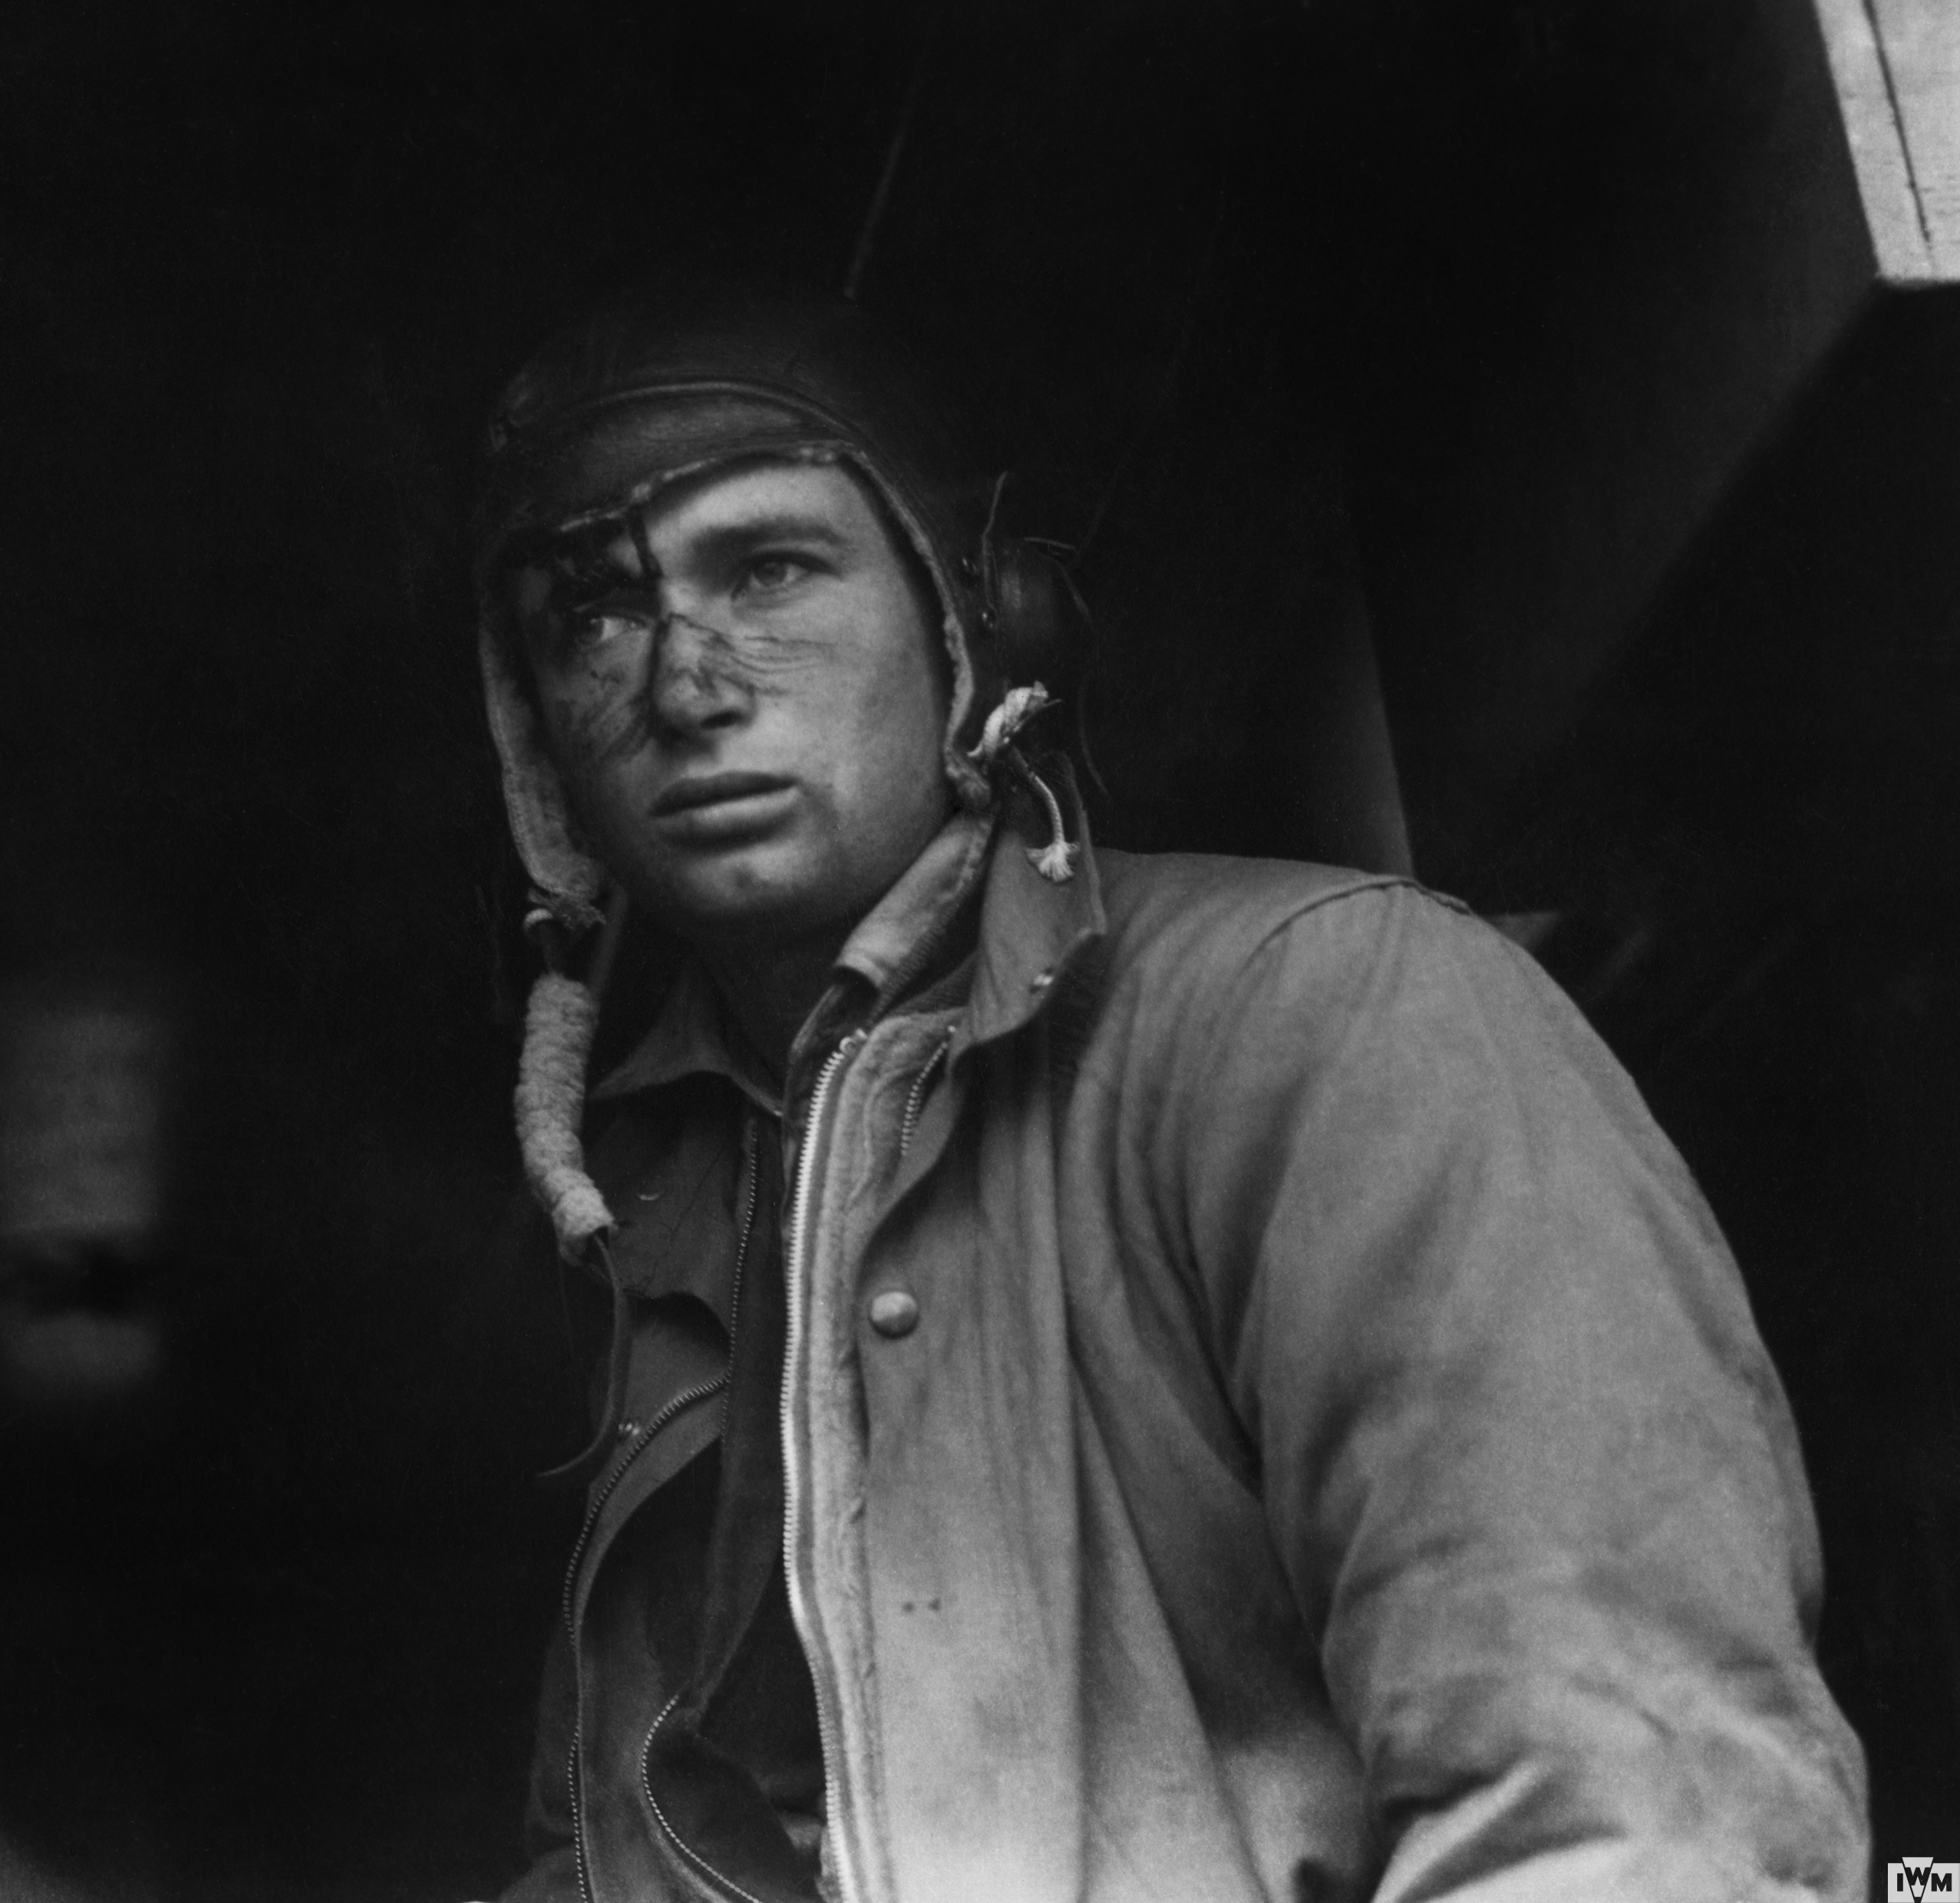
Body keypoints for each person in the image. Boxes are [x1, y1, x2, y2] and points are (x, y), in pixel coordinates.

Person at [469, 278, 1866, 1903]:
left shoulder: (1336, 1013)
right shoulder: (648, 1201)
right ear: (538, 750)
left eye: (770, 569)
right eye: (594, 618)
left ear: (974, 620)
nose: (688, 686)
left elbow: (1637, 1816)